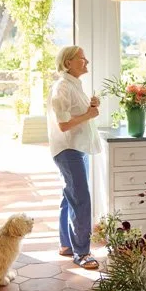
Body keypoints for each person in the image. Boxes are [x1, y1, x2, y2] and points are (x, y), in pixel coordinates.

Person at [47, 45, 102, 269]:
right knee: (80, 199)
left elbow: (74, 114)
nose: (86, 61)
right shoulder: (62, 87)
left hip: (77, 148)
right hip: (68, 149)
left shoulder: (73, 85)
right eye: (81, 58)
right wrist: (89, 114)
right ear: (68, 63)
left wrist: (90, 106)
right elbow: (63, 124)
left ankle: (66, 245)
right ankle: (82, 252)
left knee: (70, 196)